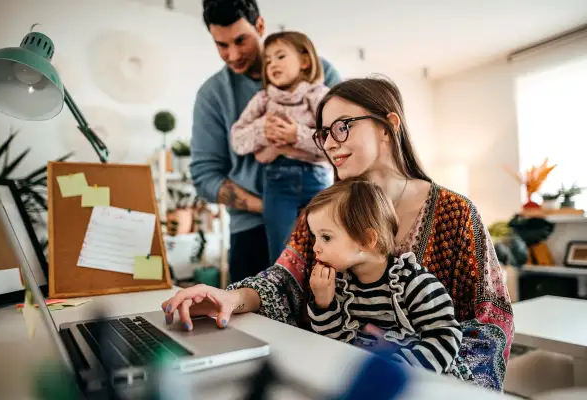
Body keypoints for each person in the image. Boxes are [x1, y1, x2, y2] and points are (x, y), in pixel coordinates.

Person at [163, 76, 514, 391]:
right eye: (324, 133)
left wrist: (415, 382)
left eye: (342, 127)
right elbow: (286, 280)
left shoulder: (456, 213)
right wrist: (229, 299)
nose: (330, 144)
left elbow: (490, 326)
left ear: (388, 126)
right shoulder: (326, 209)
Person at [190, 0, 340, 283]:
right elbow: (204, 176)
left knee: (320, 311)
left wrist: (296, 138)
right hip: (250, 231)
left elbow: (343, 142)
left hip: (321, 218)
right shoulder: (212, 94)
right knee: (257, 318)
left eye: (240, 40)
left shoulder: (319, 76)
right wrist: (274, 206)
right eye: (221, 45)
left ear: (259, 26)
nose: (233, 54)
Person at [305, 177, 470, 379]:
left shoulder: (413, 283)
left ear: (366, 240)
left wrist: (396, 368)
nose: (315, 247)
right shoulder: (341, 284)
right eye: (315, 237)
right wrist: (324, 301)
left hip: (418, 380)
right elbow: (333, 341)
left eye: (326, 237)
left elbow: (446, 336)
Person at [230, 31, 333, 263]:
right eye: (267, 61)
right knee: (281, 254)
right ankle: (285, 296)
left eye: (280, 56)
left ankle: (321, 297)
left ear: (305, 61)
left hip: (316, 180)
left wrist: (296, 134)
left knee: (324, 249)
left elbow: (333, 142)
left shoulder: (319, 96)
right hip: (277, 183)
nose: (272, 64)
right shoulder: (263, 99)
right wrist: (263, 130)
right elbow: (237, 139)